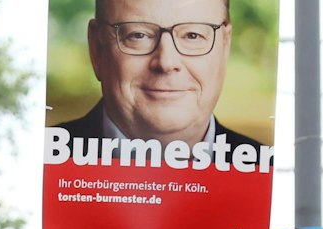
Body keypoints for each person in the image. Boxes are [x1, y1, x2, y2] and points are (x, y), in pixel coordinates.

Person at [58, 0, 270, 169]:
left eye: (192, 35)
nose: (166, 63)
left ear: (225, 46)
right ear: (97, 49)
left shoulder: (275, 178)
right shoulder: (40, 164)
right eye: (138, 35)